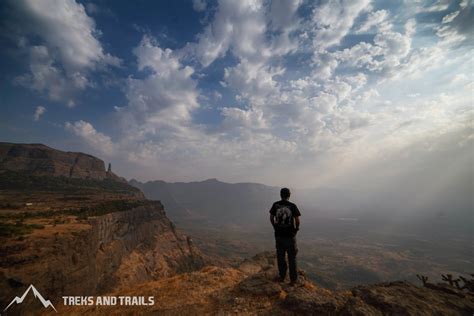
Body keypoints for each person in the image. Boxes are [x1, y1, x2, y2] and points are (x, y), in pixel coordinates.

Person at [269, 187, 301, 286]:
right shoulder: (292, 206)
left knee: (280, 256)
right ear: (289, 195)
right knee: (292, 258)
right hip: (290, 236)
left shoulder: (275, 205)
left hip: (278, 235)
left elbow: (271, 217)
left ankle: (282, 277)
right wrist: (296, 229)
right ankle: (293, 280)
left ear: (280, 195)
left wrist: (275, 226)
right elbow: (297, 220)